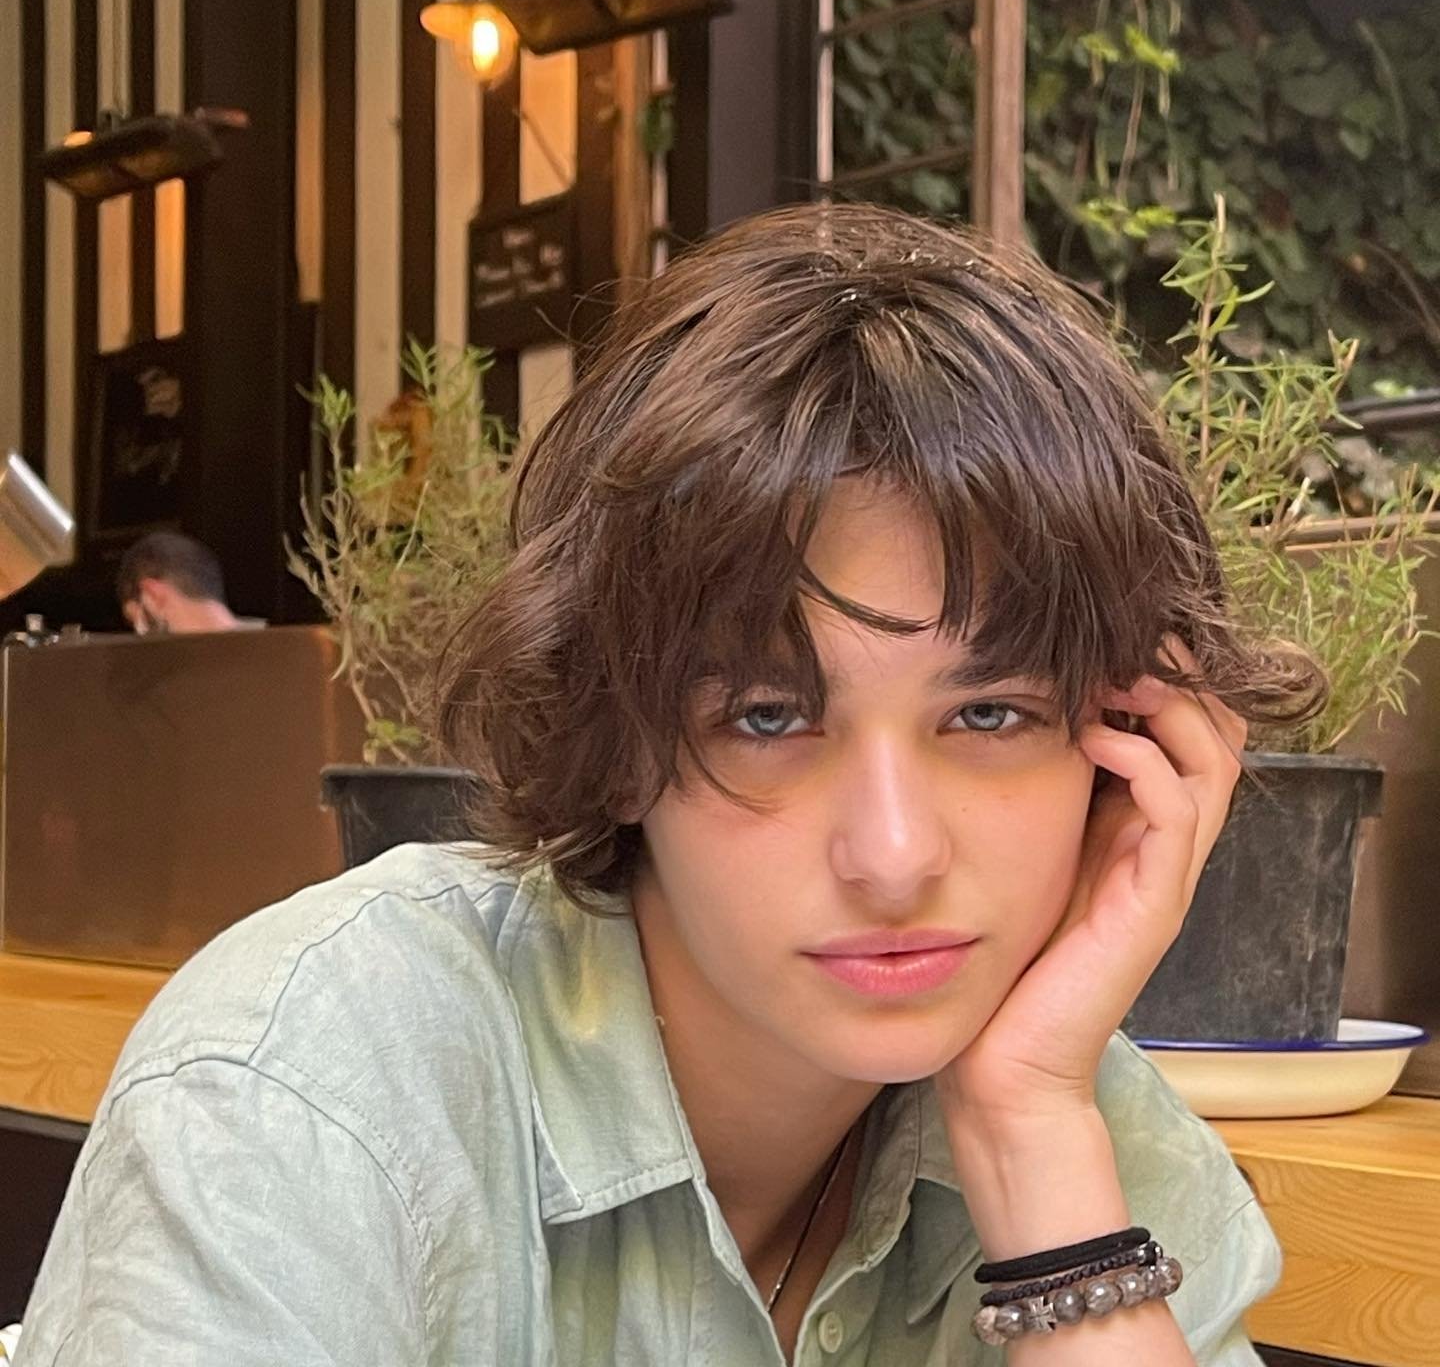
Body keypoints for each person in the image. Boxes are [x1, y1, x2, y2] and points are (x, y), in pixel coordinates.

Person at [16, 204, 1324, 1366]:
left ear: (1127, 743)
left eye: (989, 712)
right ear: (621, 737)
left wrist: (1033, 1143)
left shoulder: (1080, 1114)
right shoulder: (312, 1089)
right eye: (769, 716)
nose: (893, 854)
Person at [115, 530, 241, 634]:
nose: (140, 632)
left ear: (153, 595)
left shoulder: (170, 657)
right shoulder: (252, 647)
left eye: (137, 620)